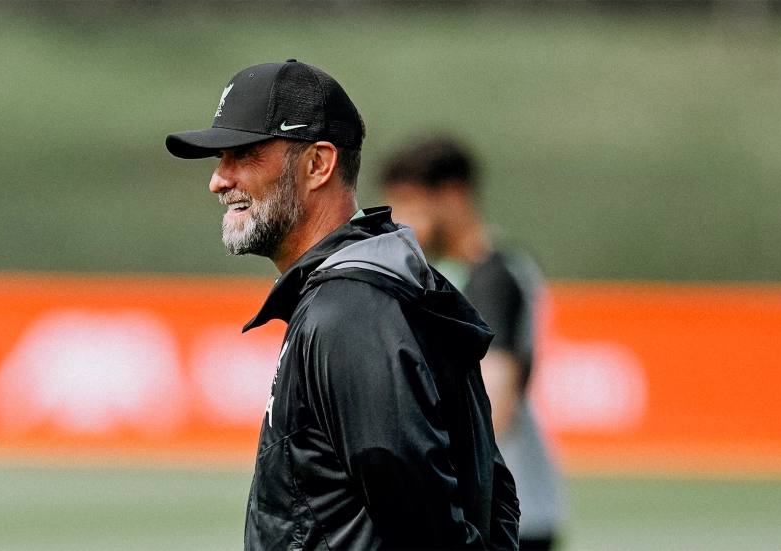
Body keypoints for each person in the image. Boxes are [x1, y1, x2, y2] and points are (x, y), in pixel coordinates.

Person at [167, 60, 519, 551]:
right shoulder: (376, 291)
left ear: (318, 164)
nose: (219, 180)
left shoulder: (350, 312)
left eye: (243, 154)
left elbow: (431, 533)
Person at [380, 136, 565, 551]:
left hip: (501, 513)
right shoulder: (454, 273)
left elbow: (495, 406)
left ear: (453, 195)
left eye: (411, 204)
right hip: (493, 507)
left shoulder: (492, 279)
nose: (400, 223)